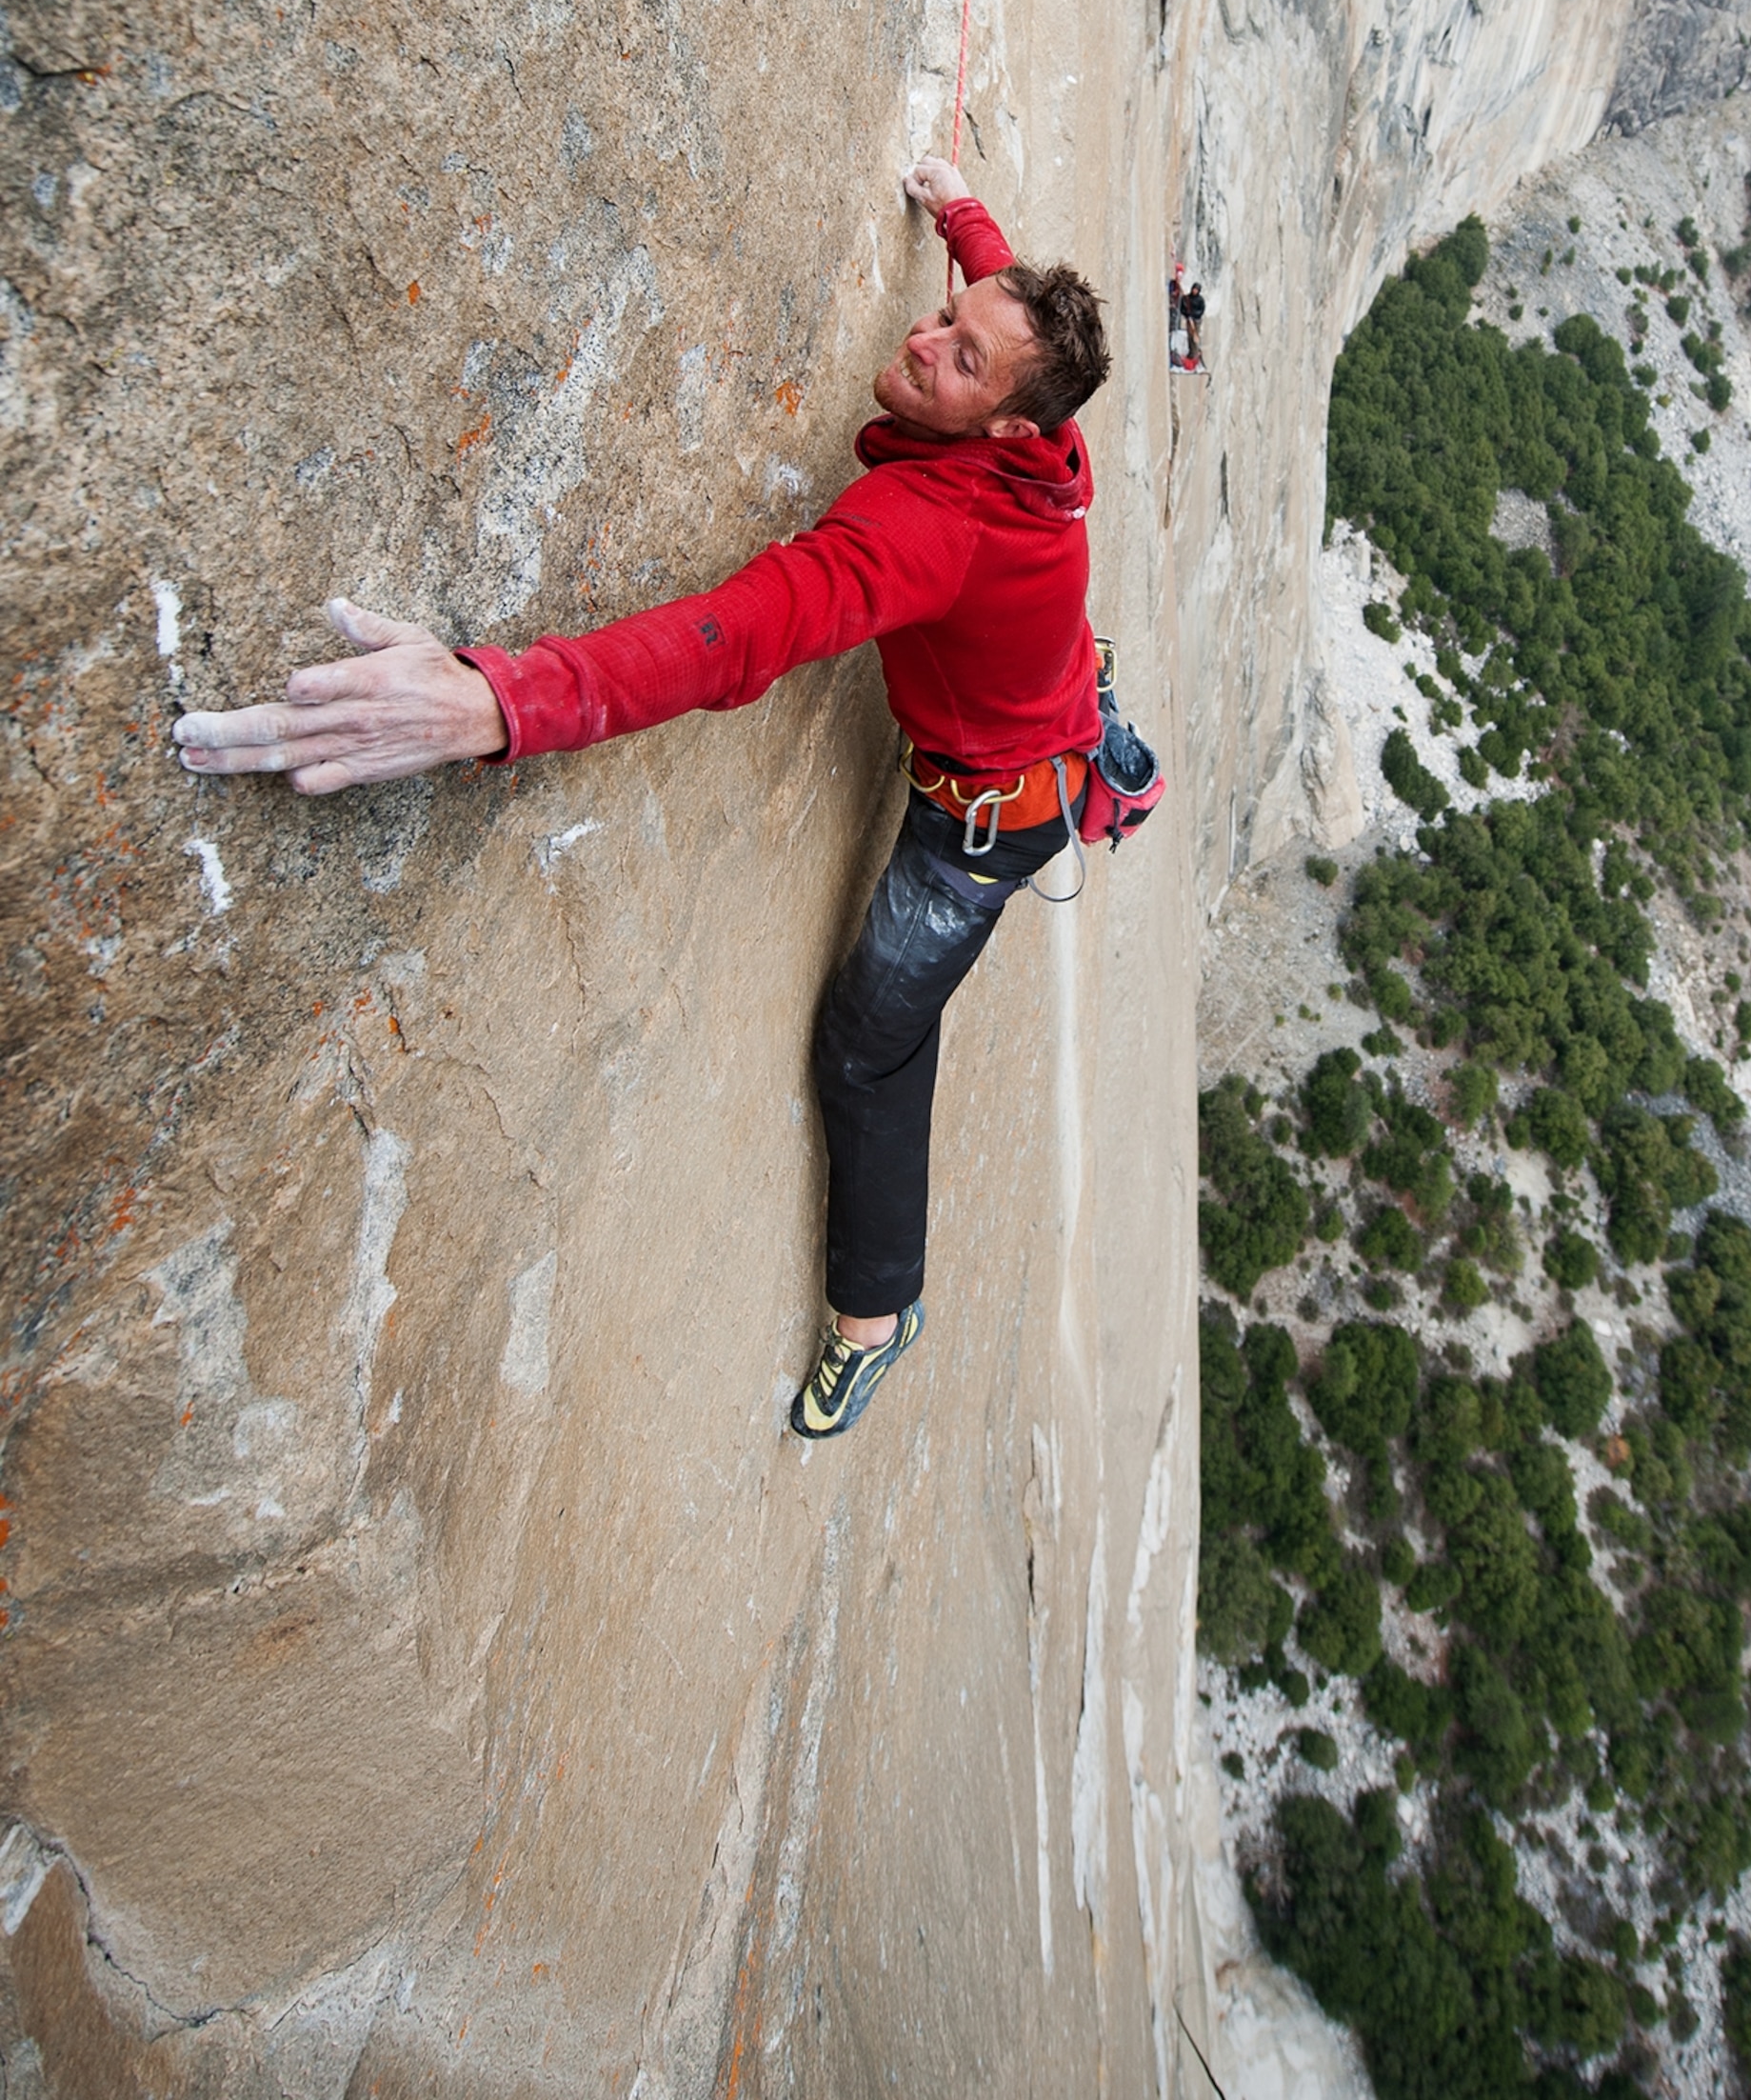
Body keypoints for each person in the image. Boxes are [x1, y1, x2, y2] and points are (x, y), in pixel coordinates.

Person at [174, 159, 1113, 1441]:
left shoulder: (924, 532)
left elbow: (736, 638)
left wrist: (500, 702)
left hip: (984, 825)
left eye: (956, 358)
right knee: (890, 1018)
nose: (925, 336)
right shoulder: (1044, 423)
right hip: (1042, 720)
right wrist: (957, 213)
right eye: (951, 313)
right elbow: (1001, 295)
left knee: (866, 1044)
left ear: (1010, 425)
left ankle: (878, 1321)